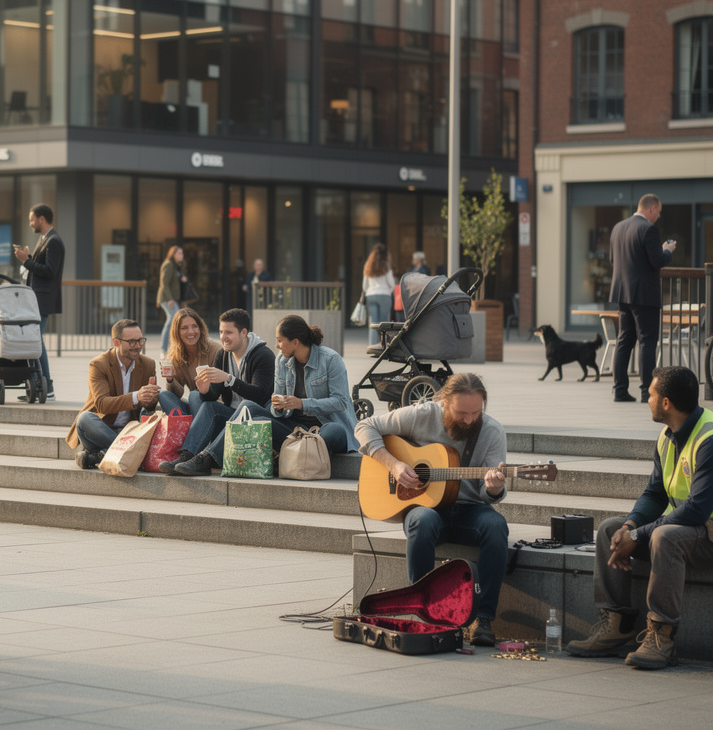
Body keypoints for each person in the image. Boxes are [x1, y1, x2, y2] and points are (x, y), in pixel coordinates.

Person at [567, 366, 713, 670]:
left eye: (650, 394)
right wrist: (629, 526)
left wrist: (638, 536)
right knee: (611, 529)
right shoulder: (668, 435)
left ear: (666, 403)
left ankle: (661, 637)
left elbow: (696, 510)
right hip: (700, 530)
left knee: (665, 537)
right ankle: (616, 628)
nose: (646, 399)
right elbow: (655, 494)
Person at [353, 372, 509, 646]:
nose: (469, 420)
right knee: (422, 521)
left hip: (469, 510)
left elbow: (488, 494)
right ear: (444, 402)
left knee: (496, 526)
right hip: (425, 508)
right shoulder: (422, 415)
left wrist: (494, 488)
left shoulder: (492, 431)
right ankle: (424, 613)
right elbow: (364, 426)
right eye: (461, 413)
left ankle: (483, 618)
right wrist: (394, 465)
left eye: (476, 413)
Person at [173, 315, 356, 476]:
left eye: (280, 340)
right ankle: (205, 458)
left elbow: (340, 402)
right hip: (294, 430)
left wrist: (301, 403)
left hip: (324, 427)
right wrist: (278, 406)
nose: (277, 345)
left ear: (295, 342)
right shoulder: (282, 360)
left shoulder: (330, 359)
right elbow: (276, 401)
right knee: (247, 407)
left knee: (334, 431)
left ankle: (293, 454)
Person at [160, 308, 275, 474]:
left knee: (247, 405)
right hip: (231, 416)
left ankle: (205, 459)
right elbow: (213, 396)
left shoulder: (263, 355)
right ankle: (187, 455)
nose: (223, 337)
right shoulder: (223, 354)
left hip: (255, 420)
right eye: (221, 332)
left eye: (229, 332)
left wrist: (229, 379)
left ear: (243, 332)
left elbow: (260, 396)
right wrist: (205, 391)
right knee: (208, 406)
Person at [65, 319, 160, 469]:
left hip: (129, 430)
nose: (138, 346)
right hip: (101, 429)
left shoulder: (148, 364)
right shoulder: (99, 364)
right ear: (116, 342)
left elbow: (148, 408)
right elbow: (102, 404)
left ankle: (99, 455)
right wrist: (136, 396)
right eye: (132, 342)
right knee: (84, 419)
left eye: (140, 340)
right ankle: (133, 455)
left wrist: (150, 400)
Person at [609, 193, 675, 403]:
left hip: (622, 292)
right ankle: (647, 392)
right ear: (652, 208)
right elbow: (657, 261)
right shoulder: (648, 229)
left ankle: (619, 390)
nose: (658, 216)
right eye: (659, 212)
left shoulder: (618, 228)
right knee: (647, 342)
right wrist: (667, 251)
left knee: (624, 340)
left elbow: (612, 260)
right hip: (644, 295)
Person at [14, 204, 64, 400]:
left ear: (42, 219)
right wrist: (29, 257)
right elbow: (42, 266)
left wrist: (26, 261)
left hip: (43, 299)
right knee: (34, 340)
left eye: (32, 219)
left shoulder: (54, 241)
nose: (30, 223)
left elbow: (50, 271)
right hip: (37, 298)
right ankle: (37, 387)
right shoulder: (44, 239)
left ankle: (46, 385)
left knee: (35, 340)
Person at [156, 307, 219, 416]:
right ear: (177, 332)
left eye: (194, 326)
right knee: (163, 395)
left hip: (214, 406)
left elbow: (221, 392)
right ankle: (185, 422)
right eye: (184, 328)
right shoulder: (175, 355)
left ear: (200, 328)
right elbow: (177, 394)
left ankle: (193, 425)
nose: (191, 331)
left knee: (194, 395)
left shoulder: (215, 349)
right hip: (195, 406)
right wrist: (171, 380)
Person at [156, 245, 190, 356]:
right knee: (173, 320)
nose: (182, 255)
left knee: (174, 321)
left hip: (173, 298)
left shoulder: (176, 266)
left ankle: (170, 348)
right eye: (179, 253)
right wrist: (170, 299)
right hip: (167, 298)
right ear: (173, 254)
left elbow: (174, 280)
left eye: (182, 253)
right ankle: (164, 349)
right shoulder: (168, 265)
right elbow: (164, 283)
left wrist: (182, 278)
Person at [362, 243, 396, 344]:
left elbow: (364, 285)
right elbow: (392, 284)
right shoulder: (386, 265)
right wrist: (388, 292)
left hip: (371, 295)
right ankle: (382, 345)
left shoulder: (368, 265)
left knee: (373, 322)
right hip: (384, 295)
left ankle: (373, 346)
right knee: (383, 323)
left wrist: (368, 292)